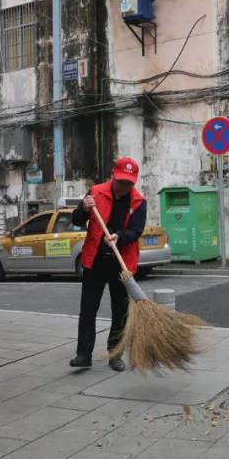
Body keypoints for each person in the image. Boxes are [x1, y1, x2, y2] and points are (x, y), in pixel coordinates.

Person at [69, 157, 147, 373]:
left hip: (121, 264)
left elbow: (136, 230)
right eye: (121, 181)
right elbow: (76, 220)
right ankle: (83, 354)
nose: (124, 187)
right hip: (95, 260)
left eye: (129, 183)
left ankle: (115, 354)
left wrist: (119, 237)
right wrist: (84, 208)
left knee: (120, 311)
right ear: (113, 175)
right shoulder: (95, 192)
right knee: (88, 309)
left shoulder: (138, 201)